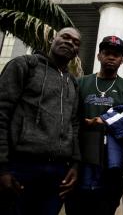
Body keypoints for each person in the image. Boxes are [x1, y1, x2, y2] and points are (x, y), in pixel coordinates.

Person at [0, 27, 81, 215]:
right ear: (53, 39)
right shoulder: (24, 65)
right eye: (65, 37)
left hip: (57, 173)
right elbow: (2, 113)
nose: (70, 42)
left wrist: (75, 165)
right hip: (20, 167)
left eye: (76, 42)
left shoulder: (73, 83)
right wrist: (2, 168)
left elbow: (74, 124)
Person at [65, 35, 123, 215]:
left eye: (116, 54)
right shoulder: (80, 83)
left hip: (111, 164)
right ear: (99, 56)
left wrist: (106, 120)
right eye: (107, 53)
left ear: (122, 60)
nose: (111, 57)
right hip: (80, 160)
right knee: (75, 208)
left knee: (104, 208)